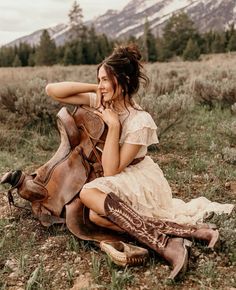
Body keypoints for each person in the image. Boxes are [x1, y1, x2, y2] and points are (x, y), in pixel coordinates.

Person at [46, 44, 234, 279]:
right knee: (94, 216)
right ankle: (184, 235)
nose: (101, 85)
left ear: (123, 81)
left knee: (88, 195)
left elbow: (112, 169)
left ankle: (169, 243)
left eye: (106, 79)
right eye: (99, 79)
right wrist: (98, 87)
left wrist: (114, 125)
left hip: (137, 177)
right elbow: (52, 90)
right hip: (118, 177)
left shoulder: (140, 120)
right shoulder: (102, 101)